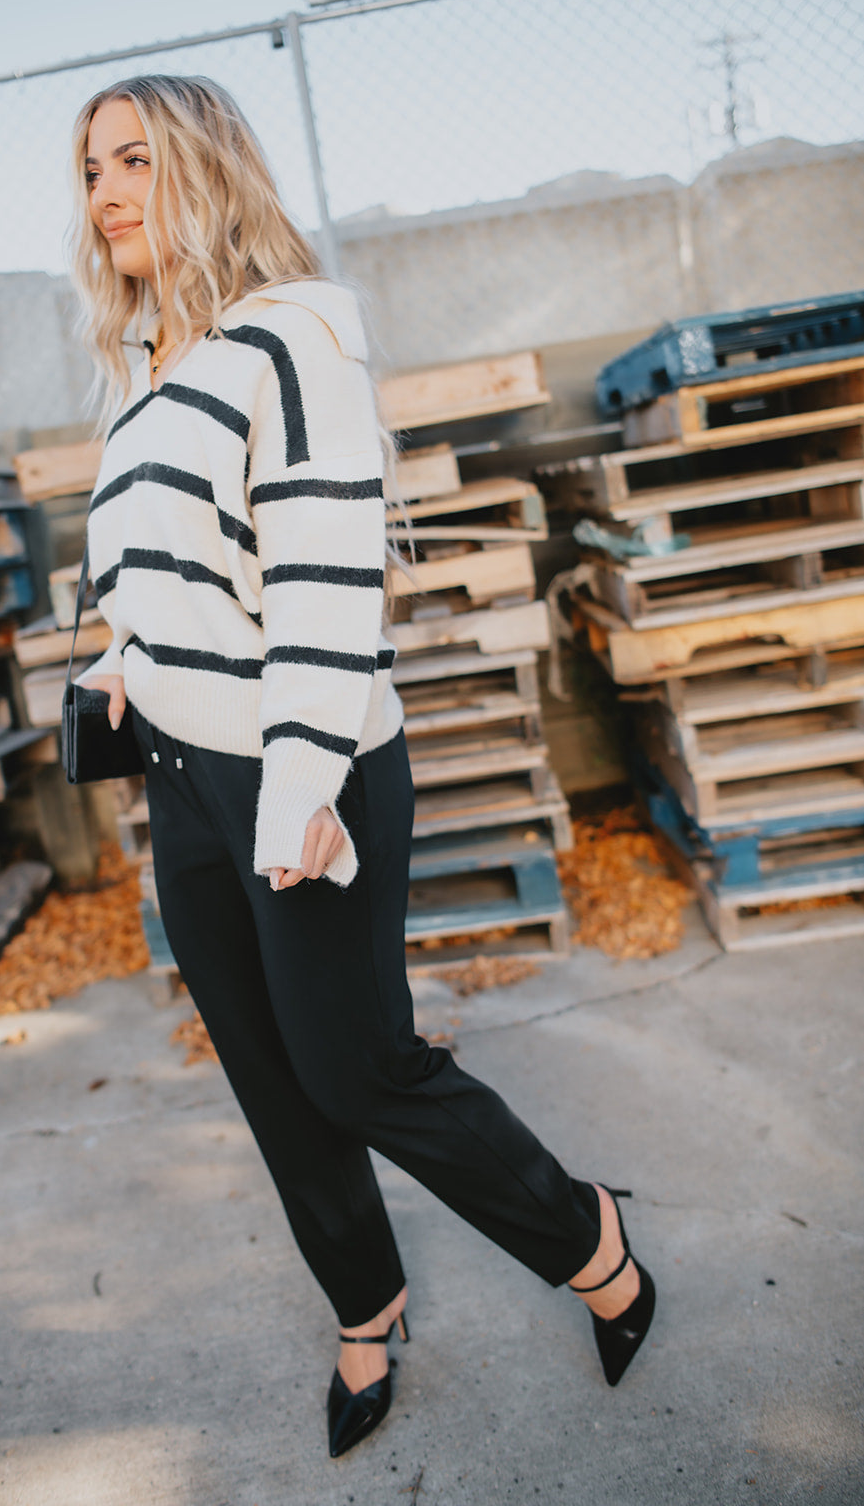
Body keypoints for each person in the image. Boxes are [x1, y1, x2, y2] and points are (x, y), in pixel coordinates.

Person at [70, 74, 656, 1459]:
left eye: (135, 160)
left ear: (207, 169)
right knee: (270, 1078)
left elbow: (326, 588)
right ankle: (364, 1304)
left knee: (356, 1069)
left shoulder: (294, 339)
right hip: (182, 774)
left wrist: (299, 791)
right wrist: (126, 661)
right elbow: (163, 568)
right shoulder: (145, 370)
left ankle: (586, 1238)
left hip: (303, 764)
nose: (105, 196)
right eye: (90, 171)